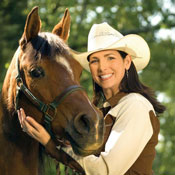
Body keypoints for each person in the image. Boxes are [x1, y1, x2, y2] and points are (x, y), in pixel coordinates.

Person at [18, 22, 165, 175]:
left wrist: (50, 143)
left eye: (110, 58)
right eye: (95, 60)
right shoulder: (105, 111)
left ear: (127, 62)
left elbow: (105, 171)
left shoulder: (135, 105)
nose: (102, 67)